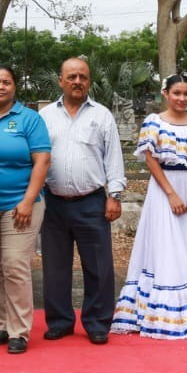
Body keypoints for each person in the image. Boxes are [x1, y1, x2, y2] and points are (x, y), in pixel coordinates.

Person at [112, 74, 187, 340]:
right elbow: (150, 161)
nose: (182, 99)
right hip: (164, 190)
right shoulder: (153, 122)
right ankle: (164, 311)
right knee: (167, 244)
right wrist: (171, 193)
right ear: (166, 94)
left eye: (186, 94)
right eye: (177, 93)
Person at [39, 57, 126, 344]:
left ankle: (97, 323)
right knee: (55, 267)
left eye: (83, 77)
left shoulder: (102, 116)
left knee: (98, 266)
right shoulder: (44, 116)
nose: (77, 82)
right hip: (53, 202)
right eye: (72, 76)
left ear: (89, 81)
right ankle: (60, 321)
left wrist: (114, 195)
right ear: (60, 81)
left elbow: (113, 157)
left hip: (91, 202)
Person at [0, 64, 52, 354]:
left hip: (21, 205)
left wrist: (28, 200)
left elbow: (42, 161)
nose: (1, 87)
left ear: (14, 87)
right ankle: (4, 325)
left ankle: (20, 331)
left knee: (15, 266)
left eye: (6, 82)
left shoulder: (29, 119)